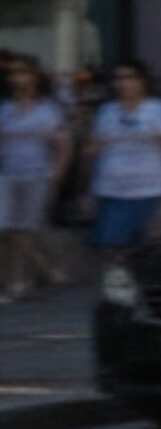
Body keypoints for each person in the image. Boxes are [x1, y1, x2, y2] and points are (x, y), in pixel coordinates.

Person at [81, 59, 161, 268]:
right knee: (109, 241)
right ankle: (120, 280)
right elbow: (93, 148)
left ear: (142, 81)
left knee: (133, 239)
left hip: (147, 186)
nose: (124, 84)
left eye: (130, 78)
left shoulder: (157, 109)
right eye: (119, 78)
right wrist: (84, 181)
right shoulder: (107, 111)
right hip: (110, 185)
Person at [0, 53, 70, 297]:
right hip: (8, 174)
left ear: (35, 77)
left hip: (37, 175)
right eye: (13, 73)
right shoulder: (6, 108)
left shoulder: (48, 110)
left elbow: (62, 146)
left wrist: (56, 177)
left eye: (23, 72)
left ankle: (17, 281)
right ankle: (45, 266)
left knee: (22, 229)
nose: (17, 78)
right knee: (6, 229)